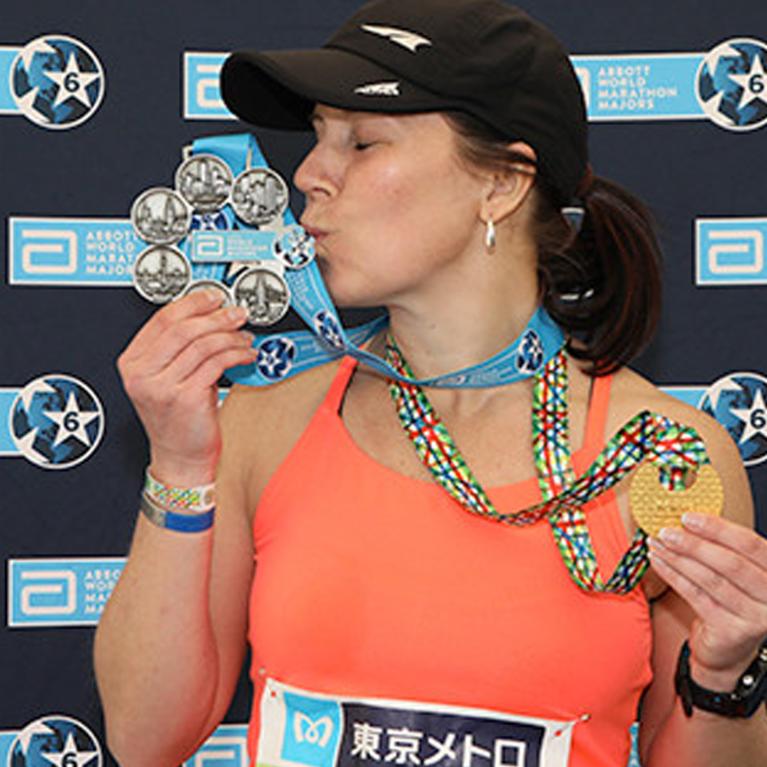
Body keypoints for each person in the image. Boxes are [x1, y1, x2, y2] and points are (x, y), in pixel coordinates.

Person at [93, 1, 767, 766]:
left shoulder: (664, 456)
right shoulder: (261, 425)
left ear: (502, 184)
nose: (309, 175)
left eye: (363, 141)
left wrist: (722, 677)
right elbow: (145, 738)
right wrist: (179, 468)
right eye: (316, 137)